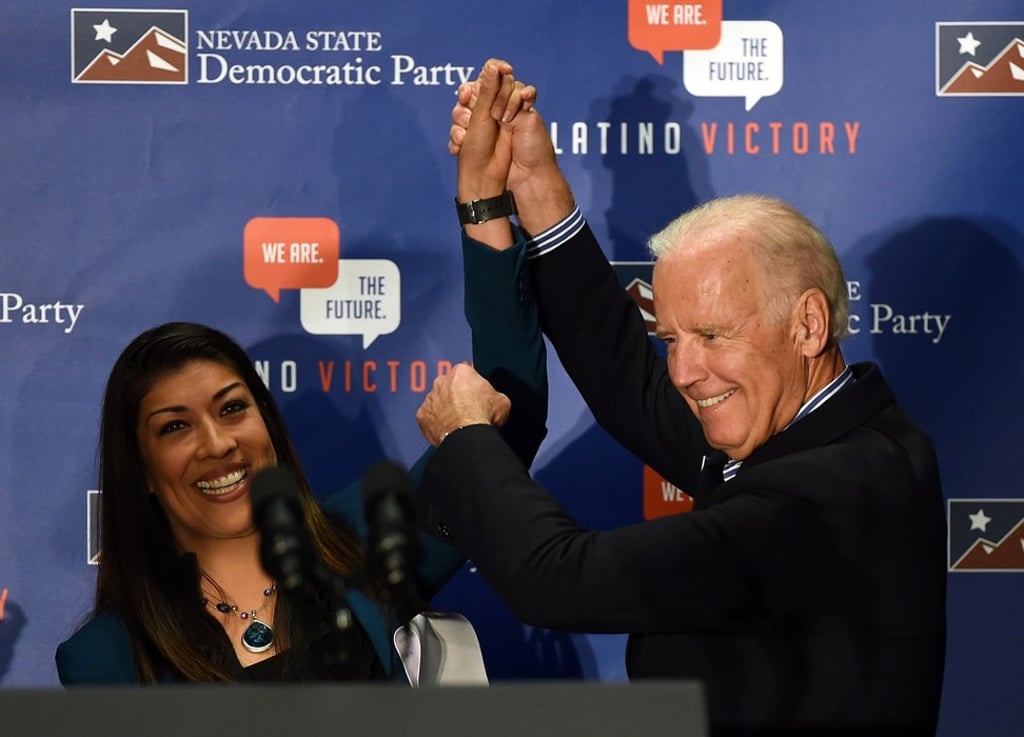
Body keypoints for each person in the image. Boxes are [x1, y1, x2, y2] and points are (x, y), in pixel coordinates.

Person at [415, 60, 947, 734]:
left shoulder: (826, 492)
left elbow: (559, 578)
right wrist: (534, 185)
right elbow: (630, 383)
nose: (686, 370)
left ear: (808, 323)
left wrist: (466, 439)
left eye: (712, 334)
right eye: (672, 337)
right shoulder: (837, 431)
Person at [56, 281, 546, 681]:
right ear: (141, 469)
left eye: (232, 409)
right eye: (175, 427)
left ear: (266, 421)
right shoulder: (105, 659)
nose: (218, 444)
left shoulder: (365, 537)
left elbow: (505, 418)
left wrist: (483, 212)